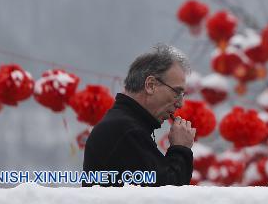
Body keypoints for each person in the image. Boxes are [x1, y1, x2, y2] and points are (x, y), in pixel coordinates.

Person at [82, 44, 195, 186]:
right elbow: (167, 194)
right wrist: (180, 149)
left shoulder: (126, 124)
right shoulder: (125, 130)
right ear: (150, 85)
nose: (180, 104)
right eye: (177, 92)